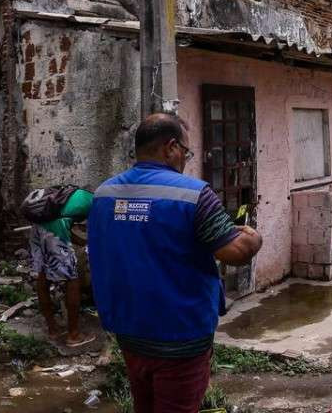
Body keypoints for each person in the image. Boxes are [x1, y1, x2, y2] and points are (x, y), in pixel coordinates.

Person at [88, 114, 263, 413]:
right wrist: (253, 238)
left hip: (129, 333)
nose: (185, 158)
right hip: (180, 338)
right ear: (170, 147)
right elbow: (235, 252)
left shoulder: (104, 194)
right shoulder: (193, 194)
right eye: (185, 150)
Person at [27, 185, 94, 347]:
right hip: (54, 229)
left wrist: (83, 242)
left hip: (38, 225)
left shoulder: (67, 198)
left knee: (42, 275)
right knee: (72, 278)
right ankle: (73, 335)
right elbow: (102, 231)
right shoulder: (100, 203)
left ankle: (52, 330)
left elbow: (65, 225)